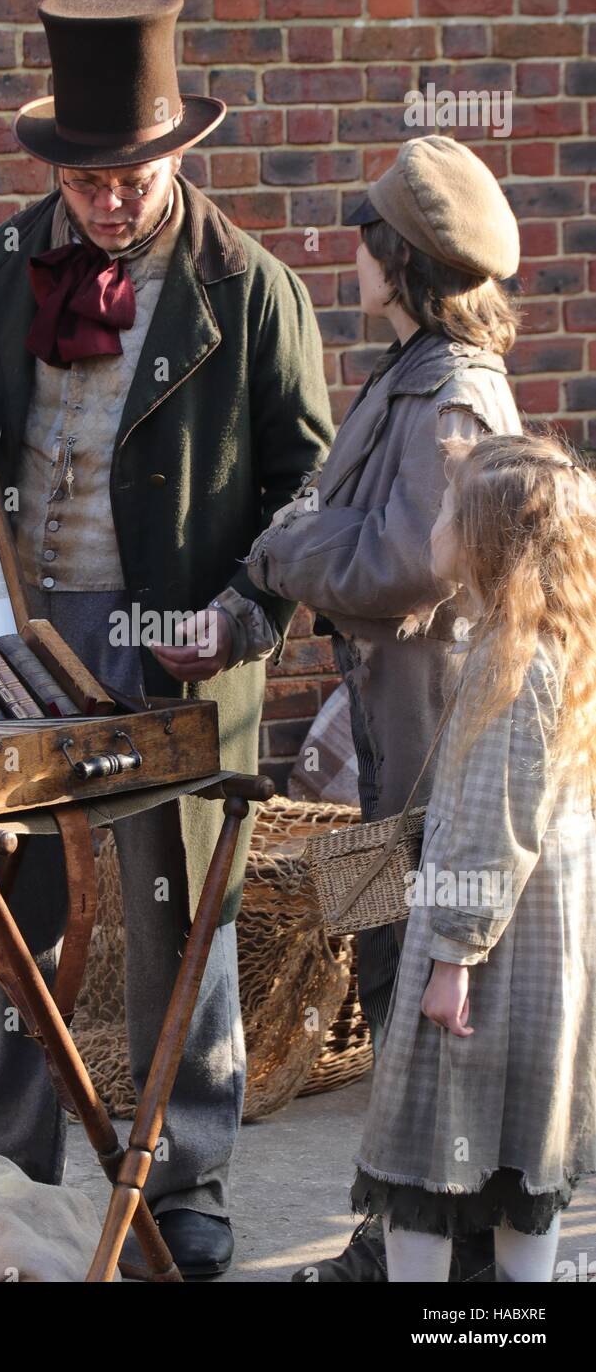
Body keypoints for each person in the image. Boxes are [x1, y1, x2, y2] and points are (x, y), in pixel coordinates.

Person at [0, 0, 332, 1278]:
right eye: (89, 177)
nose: (112, 199)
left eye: (136, 172)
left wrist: (243, 616)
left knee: (172, 917)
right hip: (27, 637)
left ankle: (180, 1180)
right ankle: (2, 1175)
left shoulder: (248, 290)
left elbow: (305, 489)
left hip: (177, 641)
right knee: (18, 910)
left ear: (181, 151)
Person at [245, 135, 522, 1282]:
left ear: (400, 259)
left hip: (428, 757)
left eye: (365, 236)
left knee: (425, 1002)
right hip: (371, 743)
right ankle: (390, 1237)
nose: (348, 251)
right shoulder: (401, 371)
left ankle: (436, 1257)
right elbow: (339, 518)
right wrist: (310, 541)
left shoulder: (453, 391)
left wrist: (290, 554)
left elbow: (412, 564)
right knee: (382, 980)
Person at [348, 432, 596, 1282]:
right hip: (536, 948)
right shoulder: (547, 644)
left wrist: (450, 957)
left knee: (428, 1152)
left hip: (486, 952)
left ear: (487, 539)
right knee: (522, 1146)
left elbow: (495, 824)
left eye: (449, 509)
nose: (435, 521)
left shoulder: (512, 660)